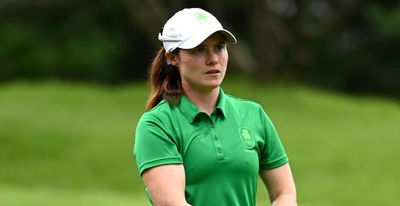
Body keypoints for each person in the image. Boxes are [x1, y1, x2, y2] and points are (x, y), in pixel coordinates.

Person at [134, 8, 297, 206]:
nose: (213, 59)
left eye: (219, 47)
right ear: (172, 57)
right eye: (199, 49)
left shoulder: (254, 114)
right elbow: (172, 203)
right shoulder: (157, 124)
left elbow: (284, 193)